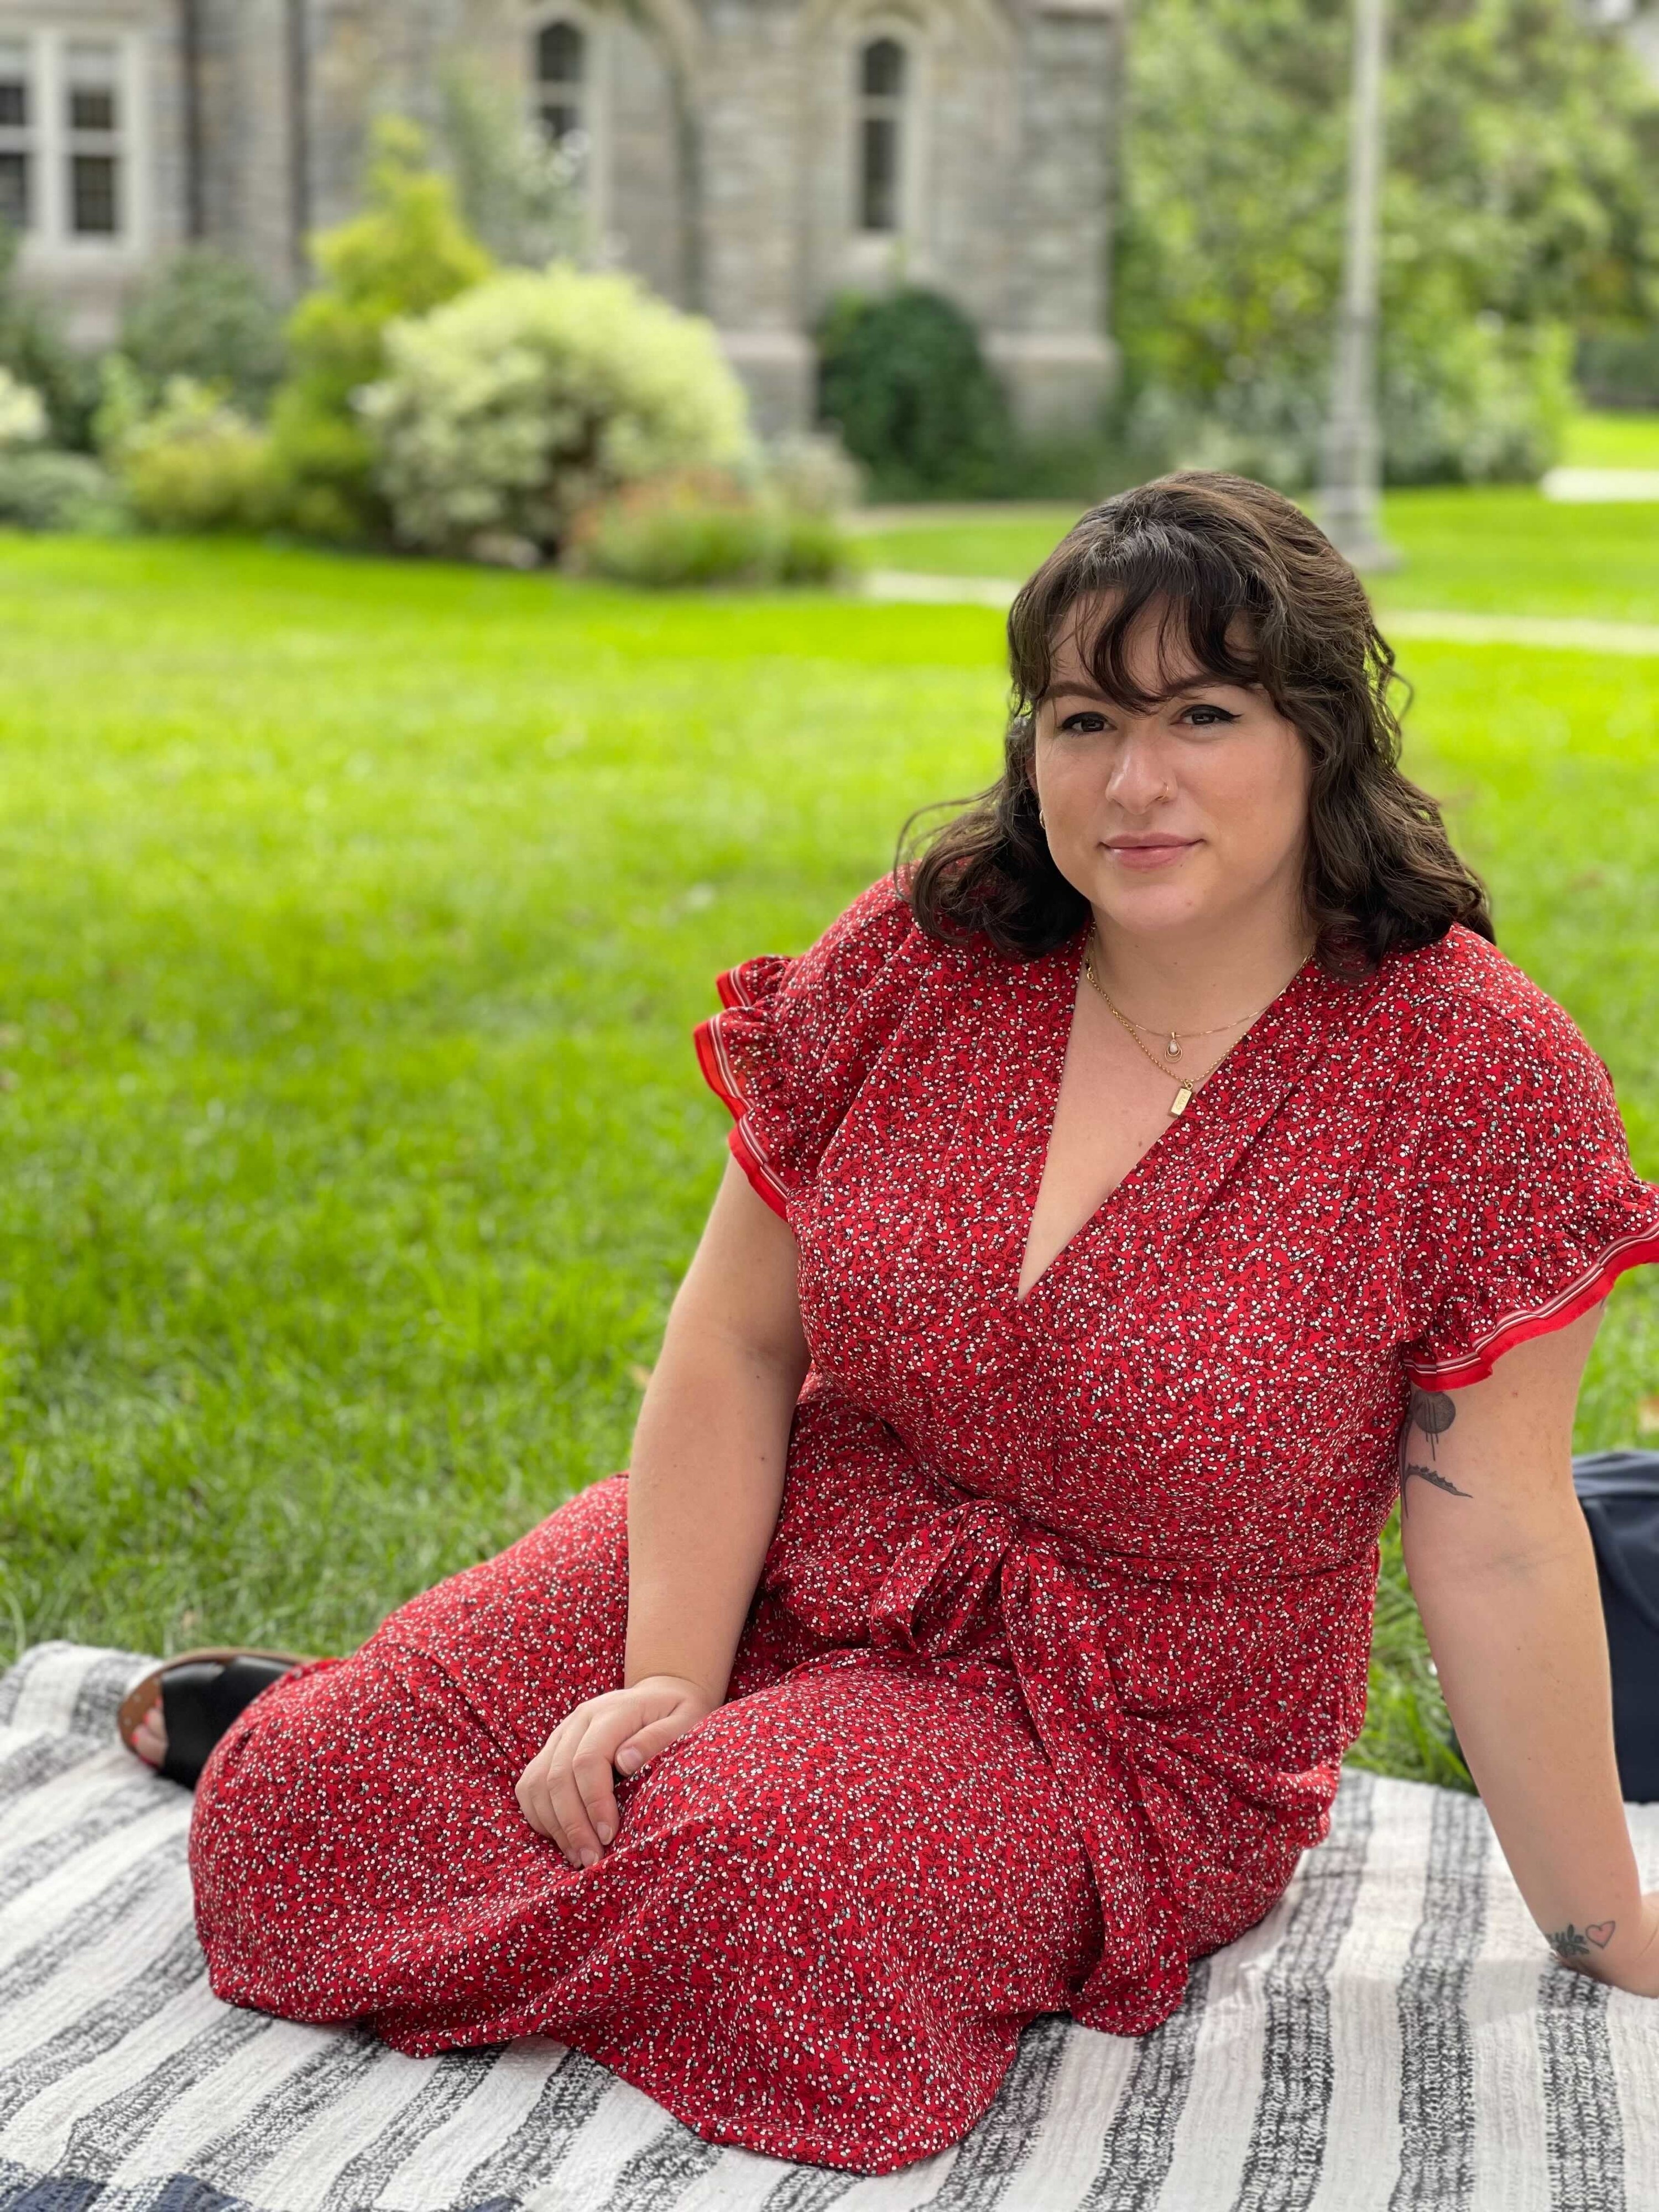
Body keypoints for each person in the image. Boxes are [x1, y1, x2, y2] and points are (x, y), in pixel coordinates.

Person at [119, 472, 1659, 2176]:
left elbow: (1505, 1540)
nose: (1132, 783)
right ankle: (498, 1787)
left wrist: (1605, 1927)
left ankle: (563, 1850)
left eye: (1201, 715)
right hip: (795, 1552)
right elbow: (735, 1345)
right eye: (1084, 718)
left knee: (754, 1879)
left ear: (1321, 739)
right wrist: (665, 1682)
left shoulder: (1473, 1078)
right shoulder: (934, 958)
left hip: (1131, 1714)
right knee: (293, 1801)